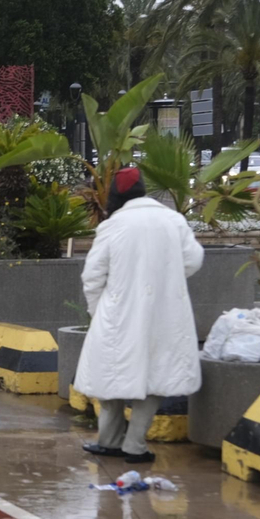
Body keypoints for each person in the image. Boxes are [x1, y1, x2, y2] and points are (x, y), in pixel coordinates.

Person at [73, 167, 204, 464]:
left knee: (110, 374)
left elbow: (92, 276)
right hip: (165, 314)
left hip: (118, 314)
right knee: (157, 377)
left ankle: (109, 441)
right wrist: (167, 280)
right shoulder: (174, 220)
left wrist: (98, 311)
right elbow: (193, 260)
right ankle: (135, 445)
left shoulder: (113, 226)